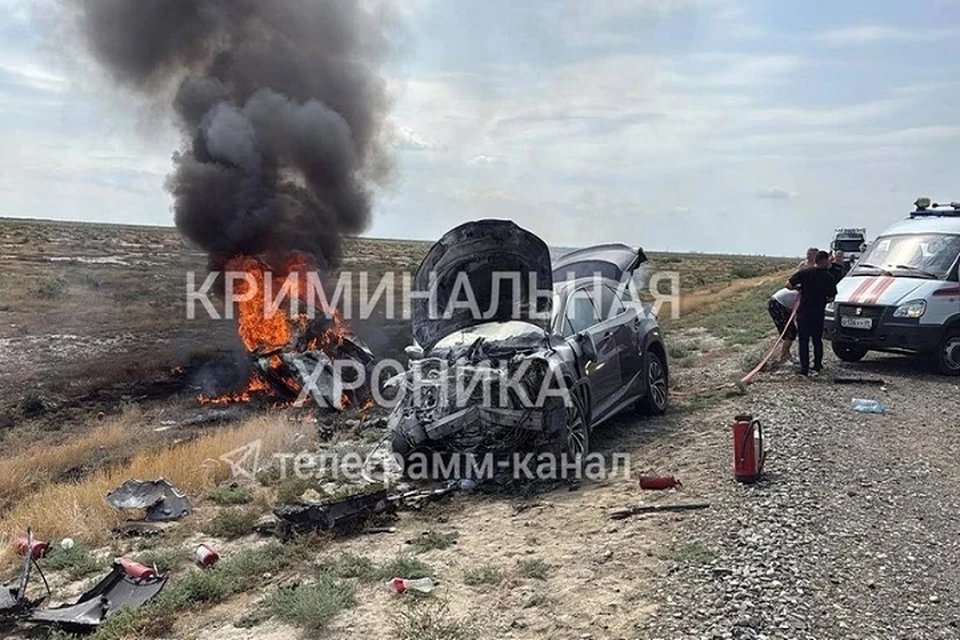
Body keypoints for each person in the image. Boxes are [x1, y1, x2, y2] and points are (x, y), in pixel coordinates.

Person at [787, 251, 837, 376]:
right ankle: (817, 365)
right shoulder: (829, 277)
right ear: (825, 261)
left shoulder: (804, 273)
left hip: (803, 313)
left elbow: (788, 284)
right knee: (817, 340)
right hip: (818, 313)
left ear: (815, 260)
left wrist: (798, 287)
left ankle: (804, 368)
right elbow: (831, 297)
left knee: (803, 341)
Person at [767, 287, 799, 362]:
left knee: (791, 331)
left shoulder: (802, 292)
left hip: (782, 304)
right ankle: (784, 355)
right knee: (790, 332)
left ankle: (785, 353)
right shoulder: (804, 295)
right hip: (776, 304)